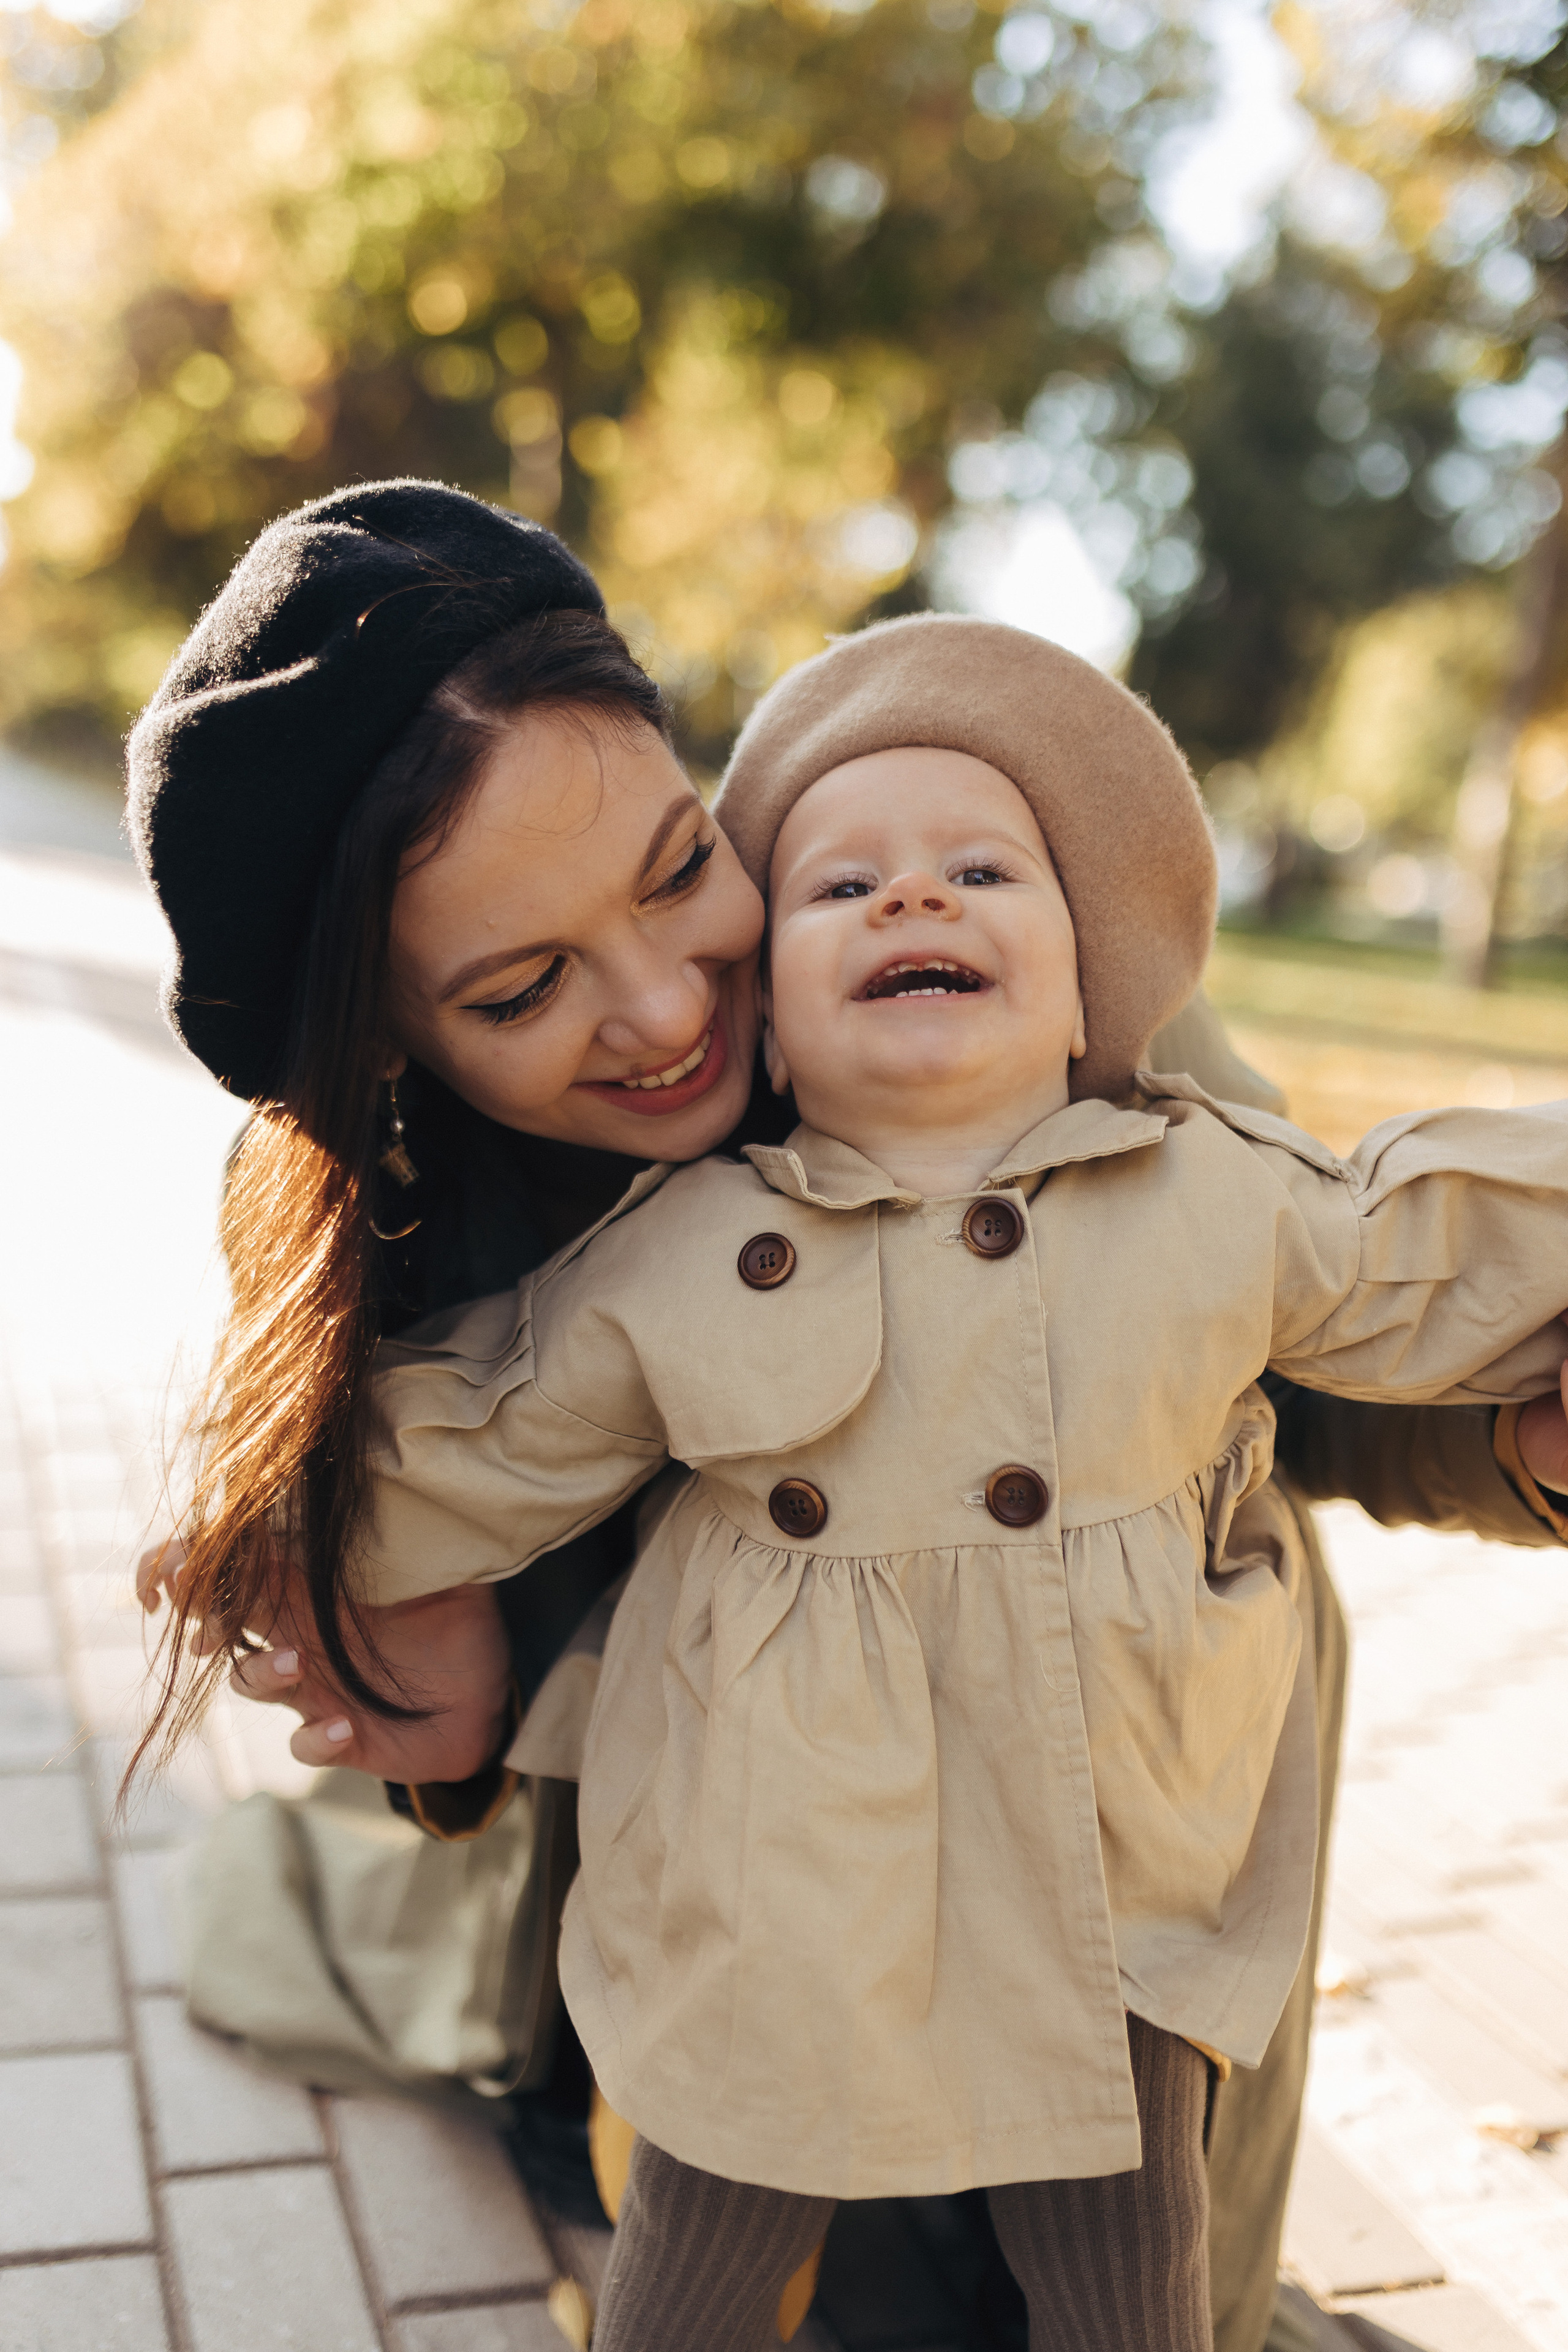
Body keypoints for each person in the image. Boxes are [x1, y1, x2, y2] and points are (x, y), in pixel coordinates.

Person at [129, 484, 1568, 2352]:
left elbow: (1339, 1339)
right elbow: (434, 1515)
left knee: (1139, 2282)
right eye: (518, 987)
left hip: (1116, 1793)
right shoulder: (430, 1223)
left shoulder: (1011, 959)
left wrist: (1533, 1448)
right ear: (394, 1043)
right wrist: (441, 1704)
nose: (664, 1010)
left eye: (672, 869)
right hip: (759, 1874)